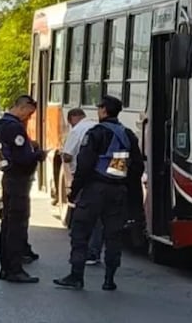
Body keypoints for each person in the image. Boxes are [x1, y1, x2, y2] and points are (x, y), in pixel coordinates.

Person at [54, 95, 143, 291]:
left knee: (80, 232)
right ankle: (109, 279)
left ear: (103, 110)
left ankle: (76, 276)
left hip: (94, 190)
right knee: (113, 236)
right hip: (117, 191)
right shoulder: (128, 135)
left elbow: (84, 165)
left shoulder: (96, 133)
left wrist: (74, 191)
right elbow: (136, 167)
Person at [0, 95, 47, 283]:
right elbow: (22, 158)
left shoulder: (1, 124)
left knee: (7, 224)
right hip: (18, 180)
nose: (29, 118)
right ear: (23, 108)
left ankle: (6, 267)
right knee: (16, 226)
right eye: (30, 114)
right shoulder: (14, 127)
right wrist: (38, 155)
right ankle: (14, 269)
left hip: (9, 178)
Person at [60, 108, 101, 264]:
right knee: (98, 218)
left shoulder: (77, 130)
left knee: (81, 218)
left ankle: (81, 257)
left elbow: (68, 156)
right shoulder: (98, 127)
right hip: (103, 179)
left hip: (84, 177)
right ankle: (95, 252)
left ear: (72, 119)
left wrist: (62, 153)